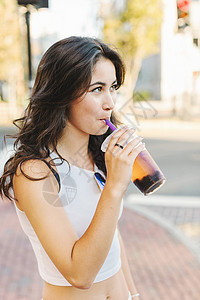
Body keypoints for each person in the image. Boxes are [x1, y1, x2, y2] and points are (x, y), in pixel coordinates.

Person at [0, 36, 144, 300]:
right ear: (62, 94)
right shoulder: (35, 172)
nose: (110, 102)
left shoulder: (98, 155)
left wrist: (134, 295)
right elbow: (80, 275)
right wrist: (114, 187)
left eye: (113, 87)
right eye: (97, 89)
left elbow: (110, 236)